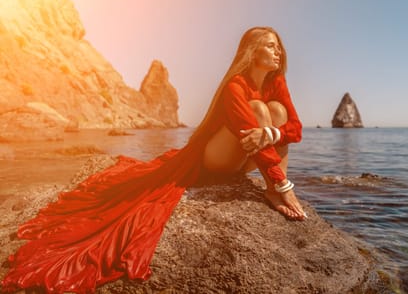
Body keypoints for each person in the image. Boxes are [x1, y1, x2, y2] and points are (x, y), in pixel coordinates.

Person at [1, 26, 305, 293]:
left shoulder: (276, 84)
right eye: (269, 45)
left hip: (247, 151)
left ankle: (270, 189)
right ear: (251, 51)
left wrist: (272, 136)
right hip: (215, 161)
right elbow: (247, 132)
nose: (277, 51)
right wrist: (283, 182)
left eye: (278, 45)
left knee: (276, 113)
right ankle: (275, 188)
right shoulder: (235, 85)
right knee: (262, 112)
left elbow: (295, 128)